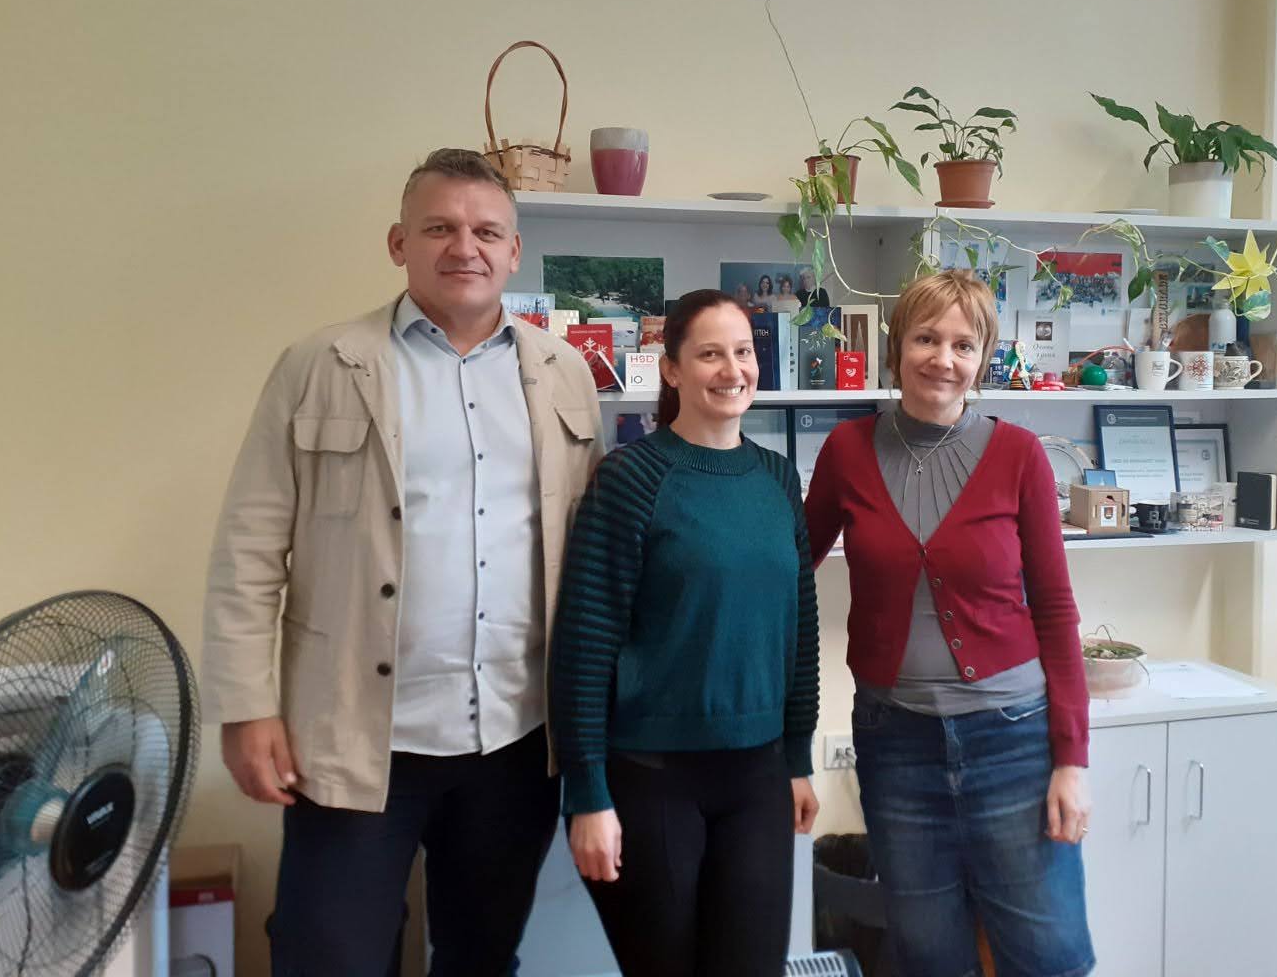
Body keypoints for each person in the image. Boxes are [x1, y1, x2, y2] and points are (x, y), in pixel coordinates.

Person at [203, 148, 603, 977]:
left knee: (480, 955)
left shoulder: (563, 372)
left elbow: (589, 551)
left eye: (486, 231)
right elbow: (249, 546)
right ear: (399, 243)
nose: (465, 247)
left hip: (515, 739)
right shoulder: (322, 364)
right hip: (353, 736)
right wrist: (246, 706)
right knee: (329, 956)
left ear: (514, 251)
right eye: (440, 228)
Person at [805, 269, 1095, 977]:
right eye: (926, 339)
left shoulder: (1020, 455)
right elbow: (787, 570)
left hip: (1014, 743)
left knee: (1049, 956)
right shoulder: (847, 451)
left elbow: (1056, 610)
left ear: (983, 357)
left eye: (964, 345)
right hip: (896, 744)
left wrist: (1071, 760)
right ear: (897, 347)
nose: (943, 358)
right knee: (928, 955)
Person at [550, 289, 820, 977]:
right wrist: (587, 795)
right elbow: (585, 645)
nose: (732, 370)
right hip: (652, 782)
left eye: (743, 352)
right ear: (671, 369)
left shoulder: (777, 478)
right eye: (709, 354)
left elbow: (800, 627)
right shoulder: (631, 479)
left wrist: (797, 757)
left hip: (759, 779)